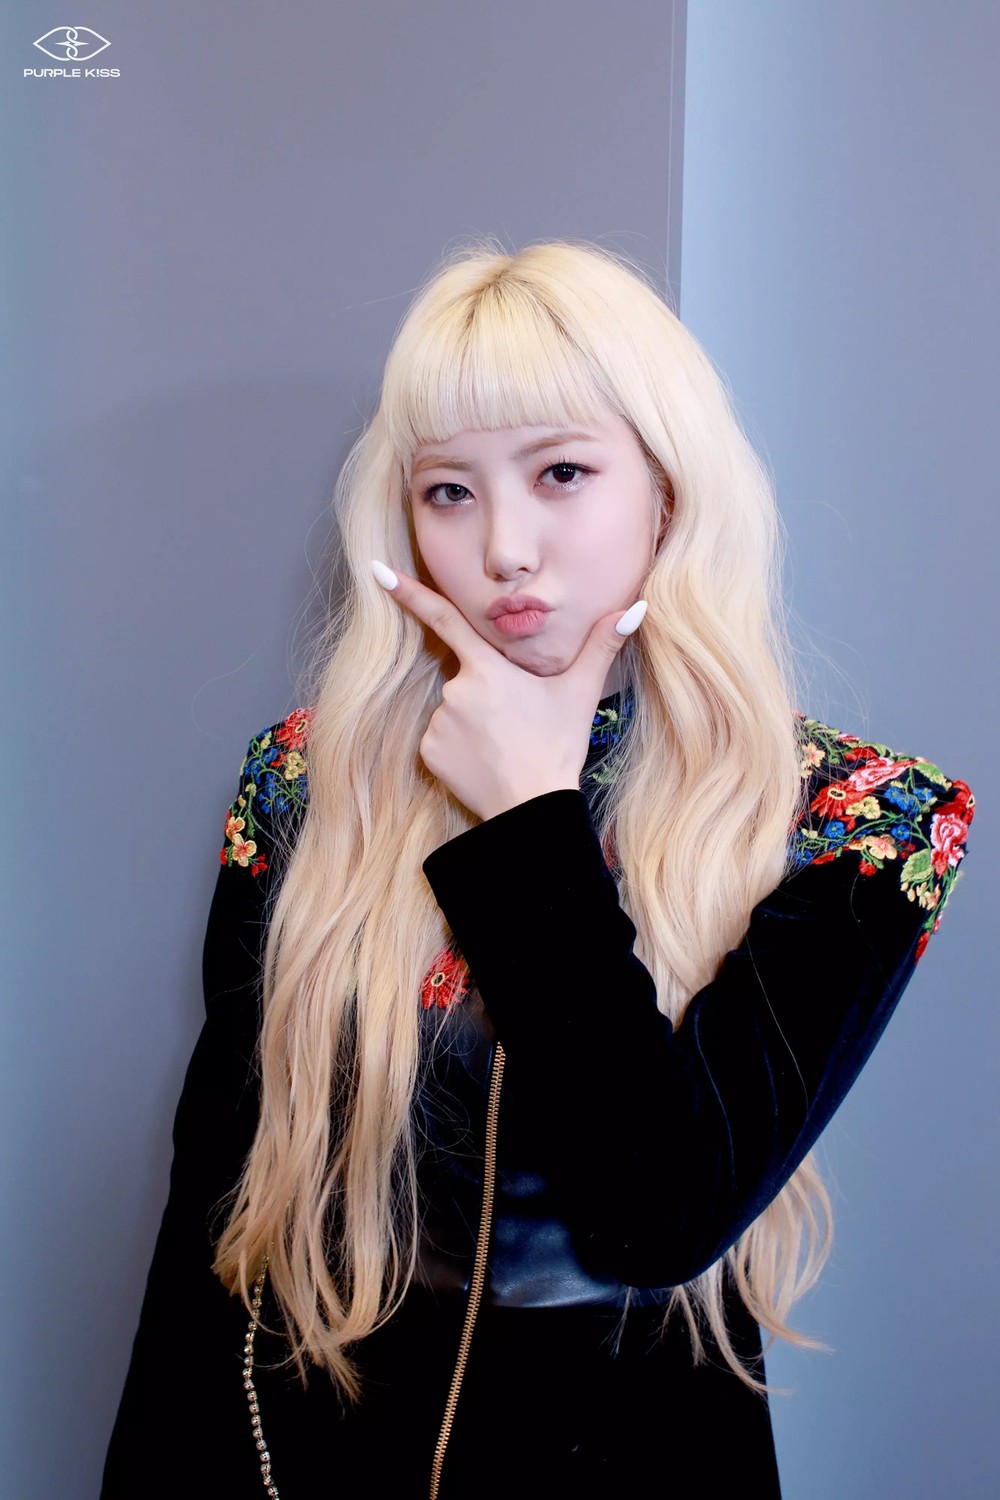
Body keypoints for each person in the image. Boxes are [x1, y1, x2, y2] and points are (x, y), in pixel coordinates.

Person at [101, 239, 975, 1499]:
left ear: (666, 486)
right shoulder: (305, 777)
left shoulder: (865, 820)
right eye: (449, 491)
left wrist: (526, 814)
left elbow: (660, 1215)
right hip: (303, 1448)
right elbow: (221, 1209)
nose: (506, 547)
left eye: (562, 472)